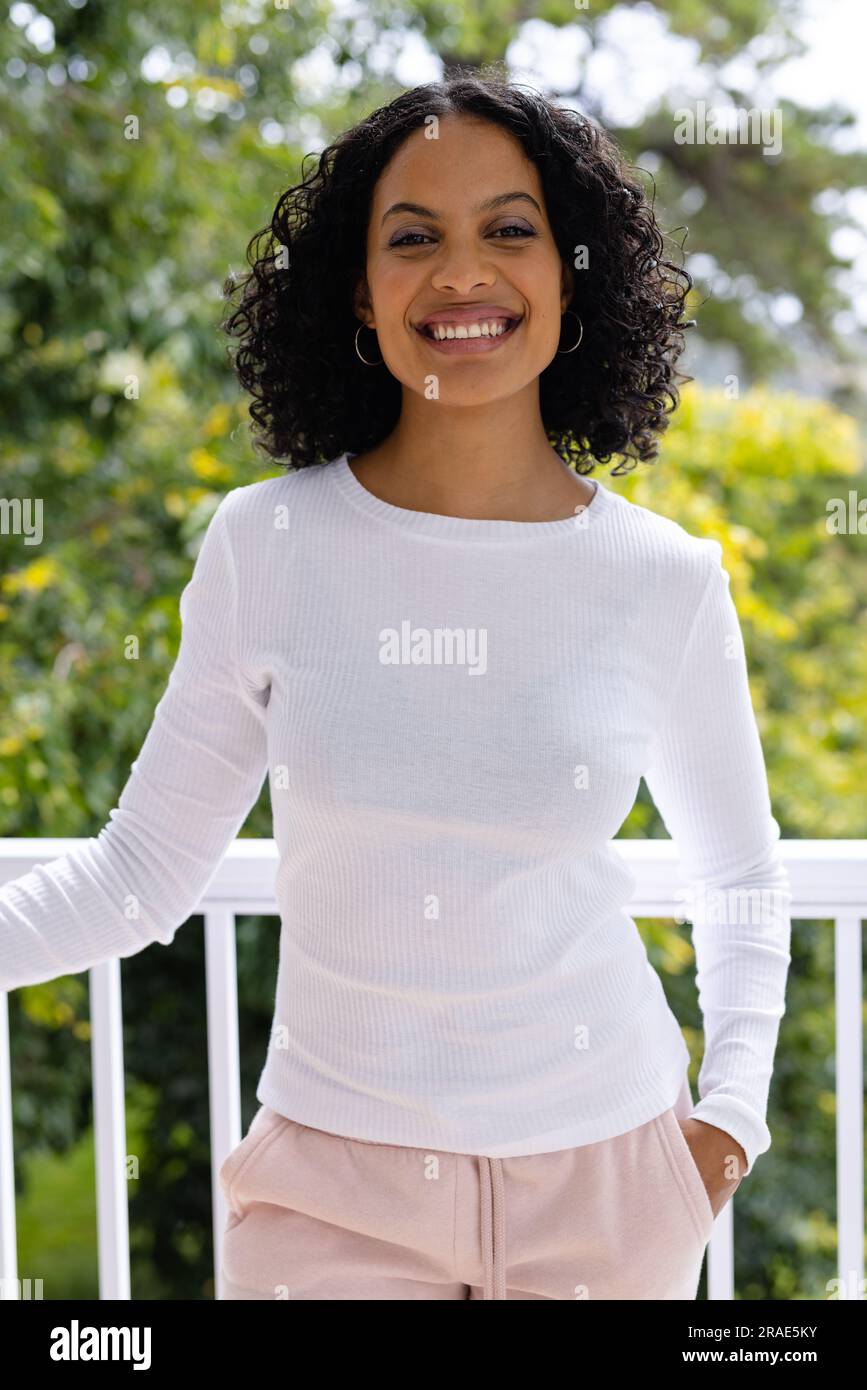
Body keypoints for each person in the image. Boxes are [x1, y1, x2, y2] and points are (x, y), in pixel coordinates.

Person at [0, 69, 792, 1300]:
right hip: (334, 1200)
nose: (462, 273)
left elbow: (739, 875)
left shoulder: (661, 580)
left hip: (610, 1189)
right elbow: (139, 874)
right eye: (412, 238)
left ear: (571, 276)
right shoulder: (266, 549)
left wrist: (727, 1121)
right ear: (359, 298)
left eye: (510, 231)